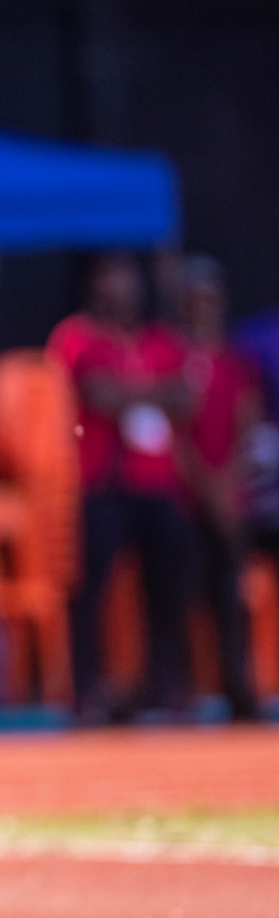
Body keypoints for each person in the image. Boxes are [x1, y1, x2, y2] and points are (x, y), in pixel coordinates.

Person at [47, 254, 195, 720]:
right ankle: (88, 690)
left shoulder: (160, 339)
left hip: (156, 483)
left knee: (168, 587)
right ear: (94, 284)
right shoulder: (78, 336)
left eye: (127, 275)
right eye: (111, 276)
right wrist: (157, 391)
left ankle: (165, 686)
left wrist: (132, 392)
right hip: (103, 481)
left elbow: (187, 397)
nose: (121, 286)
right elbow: (96, 392)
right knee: (90, 591)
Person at [179, 256, 261, 720]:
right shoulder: (174, 358)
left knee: (231, 595)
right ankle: (186, 691)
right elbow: (176, 430)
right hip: (188, 497)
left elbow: (247, 426)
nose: (203, 308)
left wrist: (226, 487)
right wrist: (204, 487)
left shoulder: (233, 362)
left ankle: (238, 686)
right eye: (195, 299)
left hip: (229, 499)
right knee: (184, 596)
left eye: (209, 299)